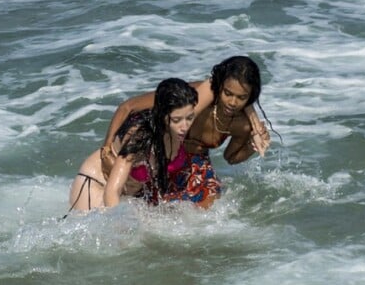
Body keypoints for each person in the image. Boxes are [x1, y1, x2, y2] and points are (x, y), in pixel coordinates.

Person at [101, 56, 272, 208]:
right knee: (137, 200)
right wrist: (107, 148)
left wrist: (250, 147)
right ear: (220, 87)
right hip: (164, 153)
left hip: (194, 160)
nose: (233, 102)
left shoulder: (242, 124)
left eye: (241, 98)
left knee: (211, 202)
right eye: (228, 93)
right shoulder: (193, 96)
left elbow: (231, 158)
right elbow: (128, 107)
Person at [68, 78, 198, 211]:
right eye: (177, 120)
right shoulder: (140, 136)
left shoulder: (178, 130)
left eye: (190, 118)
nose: (185, 126)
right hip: (96, 185)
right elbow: (112, 191)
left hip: (127, 195)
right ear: (161, 114)